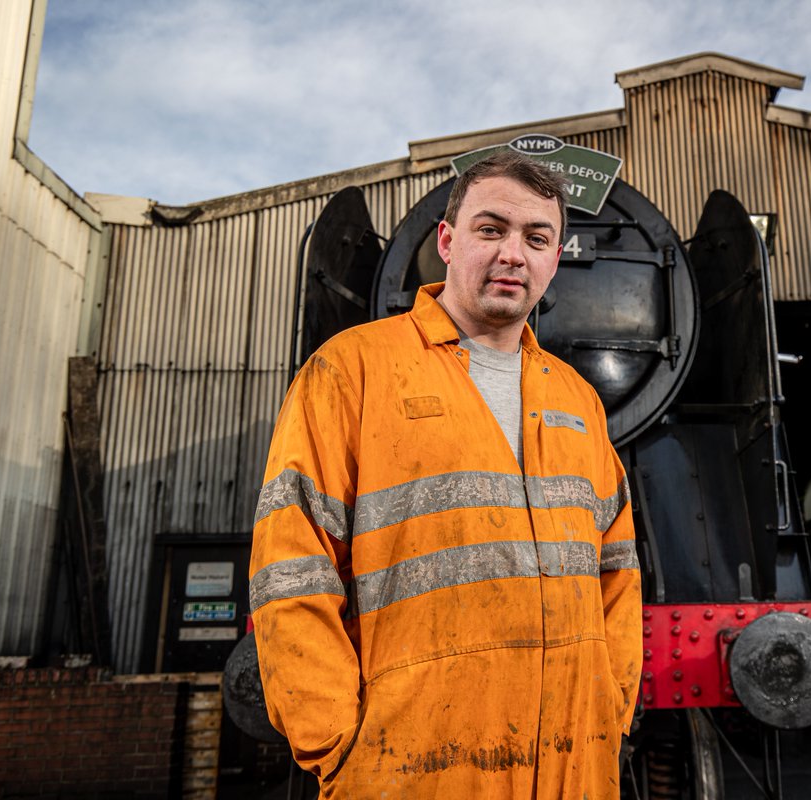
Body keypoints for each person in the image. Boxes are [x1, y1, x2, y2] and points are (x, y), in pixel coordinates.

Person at [249, 150, 642, 798]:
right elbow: (290, 570)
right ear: (448, 241)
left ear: (555, 256)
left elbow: (618, 571)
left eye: (537, 237)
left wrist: (611, 708)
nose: (514, 253)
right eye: (492, 229)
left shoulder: (577, 401)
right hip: (408, 774)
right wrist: (338, 746)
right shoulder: (352, 371)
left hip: (575, 770)